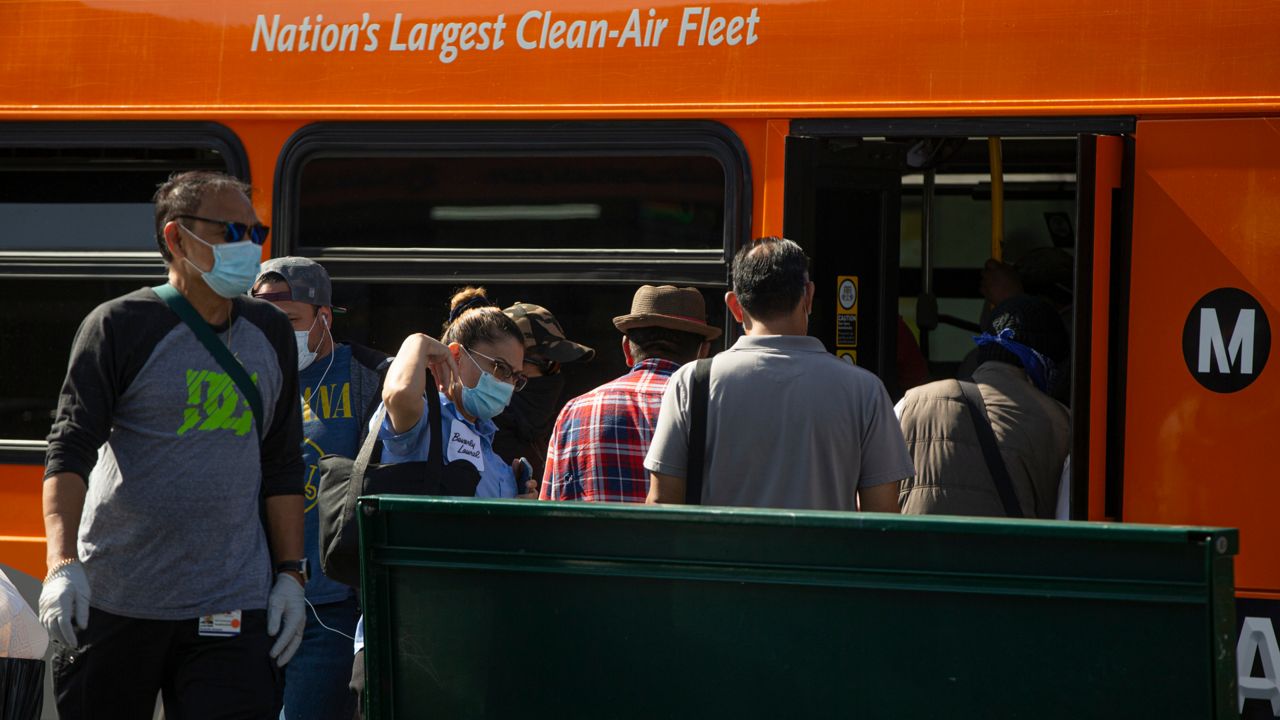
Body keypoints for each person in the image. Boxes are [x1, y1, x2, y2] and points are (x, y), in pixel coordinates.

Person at [39, 170, 306, 718]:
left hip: (231, 604)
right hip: (117, 600)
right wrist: (62, 564)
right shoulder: (119, 325)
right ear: (177, 239)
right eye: (231, 229)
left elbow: (280, 463)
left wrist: (291, 576)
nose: (249, 246)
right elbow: (70, 450)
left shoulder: (270, 332)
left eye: (256, 232)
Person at [349, 287, 530, 704]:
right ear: (456, 355)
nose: (506, 384)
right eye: (499, 368)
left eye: (515, 377)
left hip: (469, 641)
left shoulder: (492, 450)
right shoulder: (426, 416)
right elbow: (397, 395)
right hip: (405, 639)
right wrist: (417, 342)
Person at [645, 237, 913, 510]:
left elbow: (662, 502)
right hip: (825, 554)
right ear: (808, 296)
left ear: (735, 306)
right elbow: (882, 515)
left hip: (722, 553)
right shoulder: (865, 391)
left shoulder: (691, 382)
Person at [251, 257, 390, 720]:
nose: (274, 333)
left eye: (288, 321)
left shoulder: (368, 378)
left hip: (329, 608)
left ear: (323, 317)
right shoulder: (243, 380)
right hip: (247, 598)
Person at [896, 295, 1071, 519]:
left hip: (915, 553)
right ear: (1049, 362)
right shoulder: (1063, 425)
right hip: (1007, 554)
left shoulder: (910, 404)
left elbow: (875, 499)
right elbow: (1067, 523)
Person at [541, 285, 719, 502]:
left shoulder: (575, 411)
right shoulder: (717, 409)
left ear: (627, 349)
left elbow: (551, 509)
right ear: (703, 352)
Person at [493, 301, 595, 486]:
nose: (556, 375)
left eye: (559, 365)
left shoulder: (549, 424)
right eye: (550, 365)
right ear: (510, 364)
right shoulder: (483, 430)